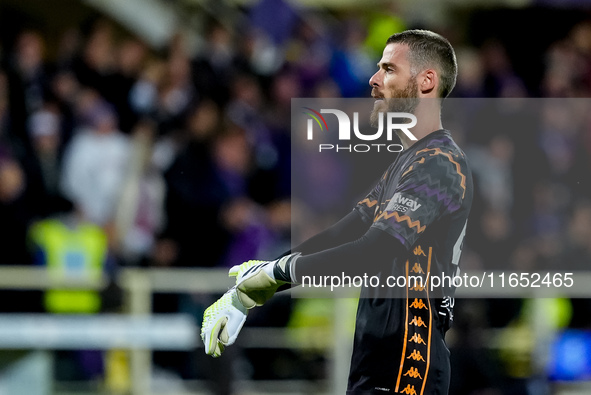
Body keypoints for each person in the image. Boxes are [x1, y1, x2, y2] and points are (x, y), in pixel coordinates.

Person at [201, 29, 473, 395]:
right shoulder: (405, 164)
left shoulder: (439, 163)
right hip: (376, 368)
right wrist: (252, 289)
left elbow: (375, 249)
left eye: (389, 69)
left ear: (426, 82)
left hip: (409, 373)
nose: (374, 80)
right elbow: (345, 232)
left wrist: (276, 272)